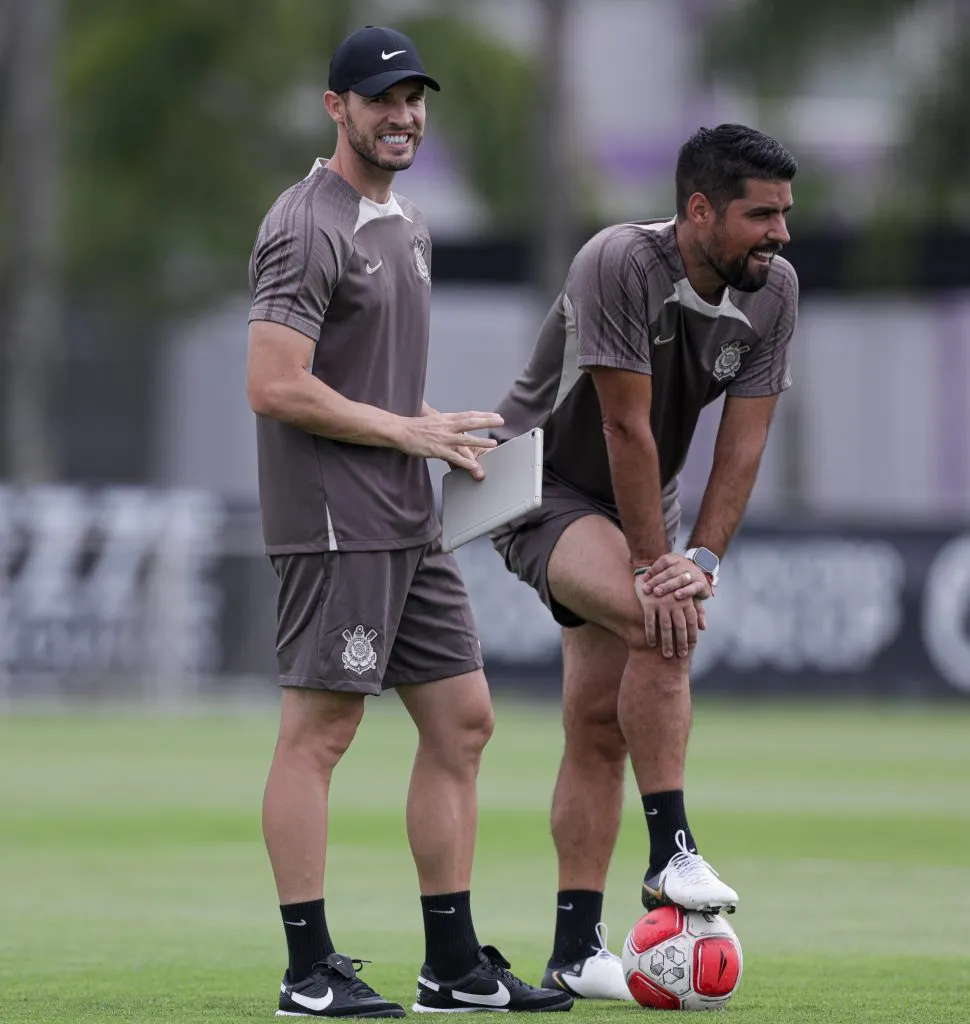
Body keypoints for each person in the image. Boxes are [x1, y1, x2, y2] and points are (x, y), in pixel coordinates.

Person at [247, 25, 573, 1019]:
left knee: (464, 722)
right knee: (321, 732)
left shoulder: (408, 223)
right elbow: (273, 384)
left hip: (406, 514)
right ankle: (308, 971)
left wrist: (421, 426)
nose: (403, 116)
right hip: (336, 523)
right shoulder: (308, 224)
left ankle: (451, 965)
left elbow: (361, 379)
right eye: (381, 99)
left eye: (414, 99)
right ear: (335, 108)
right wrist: (401, 429)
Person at [489, 124, 799, 1000]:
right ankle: (672, 856)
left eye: (785, 214)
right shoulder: (619, 262)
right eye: (761, 215)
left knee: (596, 723)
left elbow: (746, 439)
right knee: (658, 619)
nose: (781, 234)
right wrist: (661, 573)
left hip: (640, 505)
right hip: (541, 483)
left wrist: (699, 557)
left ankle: (574, 952)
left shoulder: (775, 290)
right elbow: (624, 427)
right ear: (699, 210)